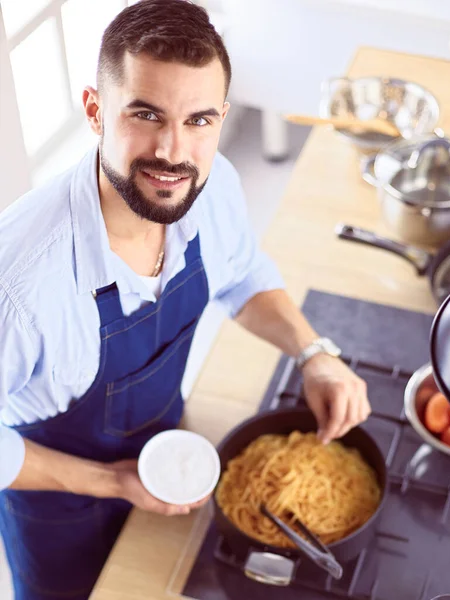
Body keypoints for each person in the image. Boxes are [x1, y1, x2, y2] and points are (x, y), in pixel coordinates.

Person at [0, 1, 371, 598]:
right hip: (59, 506)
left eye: (199, 120)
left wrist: (313, 352)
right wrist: (112, 482)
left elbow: (242, 274)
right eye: (147, 115)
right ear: (95, 110)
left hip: (169, 457)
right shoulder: (19, 285)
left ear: (222, 117)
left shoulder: (212, 182)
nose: (174, 152)